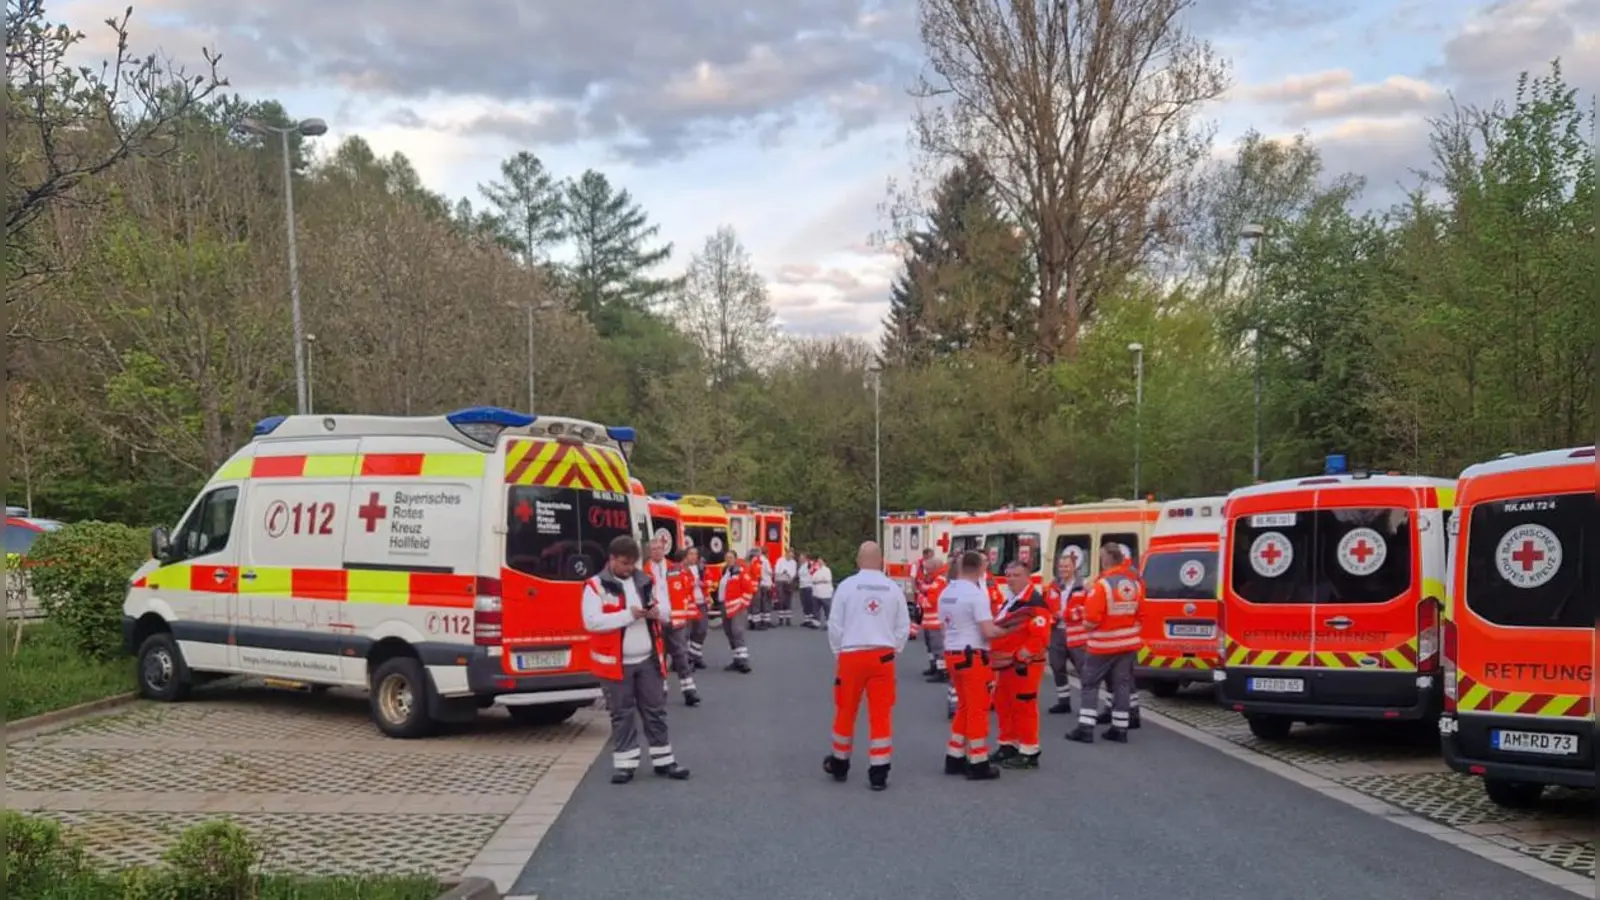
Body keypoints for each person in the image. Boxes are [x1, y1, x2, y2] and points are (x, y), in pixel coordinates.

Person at [581, 535, 691, 783]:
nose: (629, 568)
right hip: (616, 664)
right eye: (624, 563)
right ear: (612, 560)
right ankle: (625, 764)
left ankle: (664, 760)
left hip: (648, 659)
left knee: (655, 711)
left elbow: (667, 611)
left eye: (632, 563)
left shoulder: (645, 581)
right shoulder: (595, 586)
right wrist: (627, 615)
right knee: (622, 714)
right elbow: (592, 621)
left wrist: (655, 613)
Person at [825, 541, 911, 791]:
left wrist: (839, 653)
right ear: (881, 560)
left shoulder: (846, 586)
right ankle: (879, 771)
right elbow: (903, 627)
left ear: (858, 560)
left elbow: (835, 625)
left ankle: (840, 763)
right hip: (882, 657)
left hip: (851, 655)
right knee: (881, 714)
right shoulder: (892, 588)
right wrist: (893, 649)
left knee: (845, 710)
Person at [939, 549, 1012, 780]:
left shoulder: (946, 592)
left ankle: (955, 756)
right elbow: (988, 630)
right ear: (981, 569)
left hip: (952, 653)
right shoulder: (975, 594)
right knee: (979, 708)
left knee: (964, 706)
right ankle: (978, 761)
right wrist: (1010, 629)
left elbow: (944, 627)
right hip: (973, 656)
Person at [1066, 542, 1145, 744]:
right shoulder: (1135, 584)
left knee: (1090, 684)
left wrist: (1085, 624)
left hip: (1103, 645)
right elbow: (1142, 613)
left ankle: (1085, 727)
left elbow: (1091, 618)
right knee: (1122, 685)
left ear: (1107, 560)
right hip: (1128, 644)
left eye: (1101, 558)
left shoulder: (1102, 585)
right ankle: (1120, 729)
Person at [990, 561, 1052, 768]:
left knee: (1024, 706)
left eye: (1016, 575)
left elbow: (1039, 636)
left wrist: (1021, 655)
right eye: (1008, 575)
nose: (1010, 579)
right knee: (1003, 703)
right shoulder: (1012, 600)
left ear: (1028, 577)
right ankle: (1008, 743)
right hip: (1007, 663)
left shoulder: (1034, 602)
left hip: (1023, 664)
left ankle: (1029, 749)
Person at [643, 539, 701, 707]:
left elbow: (687, 590)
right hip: (656, 621)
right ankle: (661, 691)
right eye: (654, 549)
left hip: (676, 621)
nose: (657, 552)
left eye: (660, 548)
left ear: (665, 550)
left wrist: (688, 613)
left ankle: (689, 691)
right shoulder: (643, 572)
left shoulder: (675, 568)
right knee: (658, 658)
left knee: (681, 655)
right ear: (650, 551)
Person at [1044, 551, 1085, 715]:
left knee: (1083, 669)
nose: (1063, 569)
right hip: (1057, 632)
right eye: (1061, 566)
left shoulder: (1084, 586)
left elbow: (1088, 609)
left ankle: (1087, 703)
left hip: (1076, 633)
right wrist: (1051, 616)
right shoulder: (1053, 586)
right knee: (1057, 666)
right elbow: (1045, 607)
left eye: (1067, 566)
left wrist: (1067, 614)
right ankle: (1064, 702)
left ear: (1074, 567)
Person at [717, 550, 754, 673]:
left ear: (735, 558)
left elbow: (749, 589)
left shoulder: (741, 571)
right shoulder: (725, 571)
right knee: (729, 633)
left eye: (731, 557)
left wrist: (742, 603)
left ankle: (744, 661)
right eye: (726, 557)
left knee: (737, 632)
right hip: (724, 606)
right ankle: (736, 659)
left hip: (737, 607)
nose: (728, 559)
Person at [681, 545, 710, 670]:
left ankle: (695, 656)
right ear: (686, 556)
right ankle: (684, 660)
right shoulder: (681, 569)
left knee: (702, 630)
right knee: (686, 633)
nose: (693, 556)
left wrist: (705, 584)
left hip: (701, 603)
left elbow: (710, 581)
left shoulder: (702, 568)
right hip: (688, 604)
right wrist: (692, 583)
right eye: (690, 554)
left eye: (695, 554)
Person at [748, 548, 772, 630]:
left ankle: (751, 622)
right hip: (755, 585)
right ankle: (756, 624)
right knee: (756, 604)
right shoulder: (756, 561)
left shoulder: (751, 561)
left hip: (752, 585)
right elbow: (757, 574)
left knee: (752, 605)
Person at [775, 549, 798, 626]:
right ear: (786, 554)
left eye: (792, 556)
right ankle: (781, 619)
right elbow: (777, 570)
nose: (790, 557)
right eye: (789, 555)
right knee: (781, 600)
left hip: (789, 581)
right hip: (780, 581)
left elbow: (794, 572)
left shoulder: (793, 562)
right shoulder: (780, 560)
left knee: (788, 600)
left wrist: (790, 577)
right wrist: (784, 571)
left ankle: (788, 619)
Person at [811, 556, 835, 622]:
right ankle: (816, 622)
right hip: (816, 593)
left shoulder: (827, 570)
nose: (819, 562)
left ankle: (828, 622)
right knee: (816, 609)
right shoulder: (817, 570)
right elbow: (813, 579)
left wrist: (818, 581)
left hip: (825, 593)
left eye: (820, 561)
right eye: (818, 561)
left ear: (824, 562)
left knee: (827, 609)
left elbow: (827, 579)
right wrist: (818, 580)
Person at [798, 552, 819, 628]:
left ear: (806, 558)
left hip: (809, 586)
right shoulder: (801, 566)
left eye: (801, 557)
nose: (800, 558)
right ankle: (806, 620)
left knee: (809, 603)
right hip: (802, 586)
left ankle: (811, 620)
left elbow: (815, 571)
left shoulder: (810, 564)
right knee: (804, 603)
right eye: (800, 557)